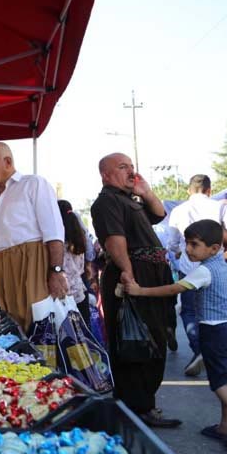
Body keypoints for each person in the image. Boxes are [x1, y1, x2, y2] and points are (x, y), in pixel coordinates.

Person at [125, 220, 227, 444]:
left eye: (194, 244)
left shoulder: (204, 271)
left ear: (214, 248)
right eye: (187, 243)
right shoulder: (225, 267)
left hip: (215, 331)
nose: (188, 249)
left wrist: (141, 291)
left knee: (218, 381)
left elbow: (174, 288)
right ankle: (226, 424)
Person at [90, 152, 180, 428]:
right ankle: (136, 407)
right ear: (106, 175)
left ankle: (142, 404)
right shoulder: (106, 201)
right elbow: (114, 241)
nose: (131, 171)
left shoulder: (131, 199)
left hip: (151, 274)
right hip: (133, 274)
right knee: (134, 341)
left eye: (131, 166)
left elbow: (159, 214)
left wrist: (146, 192)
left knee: (154, 337)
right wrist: (128, 272)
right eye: (123, 167)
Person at [0, 142, 67, 332]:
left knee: (40, 323)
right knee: (14, 326)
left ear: (8, 162)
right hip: (3, 267)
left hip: (32, 264)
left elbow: (54, 232)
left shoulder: (33, 184)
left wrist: (56, 271)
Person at [168, 174, 227, 376]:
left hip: (189, 267)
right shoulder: (219, 207)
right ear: (209, 190)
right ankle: (217, 348)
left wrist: (179, 250)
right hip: (215, 265)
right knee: (219, 308)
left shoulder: (178, 210)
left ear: (189, 190)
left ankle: (199, 348)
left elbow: (172, 243)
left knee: (189, 311)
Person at [58, 200, 90, 323]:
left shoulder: (58, 244)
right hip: (80, 292)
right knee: (85, 329)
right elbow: (82, 267)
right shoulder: (79, 240)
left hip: (65, 296)